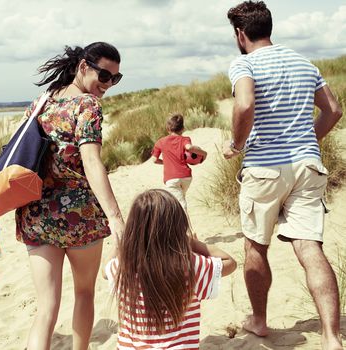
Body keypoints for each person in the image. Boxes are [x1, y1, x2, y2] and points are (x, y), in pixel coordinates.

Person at [223, 2, 343, 348]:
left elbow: (245, 104)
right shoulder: (304, 63)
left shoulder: (244, 63)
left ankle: (259, 321)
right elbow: (333, 110)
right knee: (309, 248)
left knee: (255, 246)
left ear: (240, 34)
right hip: (307, 165)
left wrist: (236, 143)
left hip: (264, 167)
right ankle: (332, 337)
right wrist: (307, 139)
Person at [15, 42, 125, 350]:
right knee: (84, 294)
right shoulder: (87, 105)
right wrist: (115, 217)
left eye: (115, 79)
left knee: (46, 308)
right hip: (80, 216)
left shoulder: (41, 102)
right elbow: (91, 161)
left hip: (37, 214)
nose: (107, 85)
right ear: (83, 67)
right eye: (104, 75)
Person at [103, 189, 236, 348]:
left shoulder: (123, 268)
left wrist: (122, 243)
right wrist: (192, 243)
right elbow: (230, 262)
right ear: (178, 227)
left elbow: (104, 271)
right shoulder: (191, 265)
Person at [151, 114, 207, 212]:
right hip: (186, 177)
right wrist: (204, 153)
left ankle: (185, 227)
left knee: (180, 205)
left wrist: (166, 162)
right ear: (183, 128)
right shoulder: (185, 139)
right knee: (180, 198)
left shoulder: (160, 142)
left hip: (171, 178)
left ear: (168, 128)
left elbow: (154, 160)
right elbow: (189, 147)